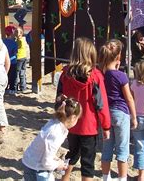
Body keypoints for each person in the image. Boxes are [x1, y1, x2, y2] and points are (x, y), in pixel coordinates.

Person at [56, 37, 111, 181]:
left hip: (70, 124)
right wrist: (106, 126)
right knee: (88, 162)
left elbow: (58, 99)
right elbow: (101, 104)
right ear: (91, 54)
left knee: (72, 154)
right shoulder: (95, 77)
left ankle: (64, 178)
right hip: (89, 126)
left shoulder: (65, 74)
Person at [100, 39, 137, 181]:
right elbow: (129, 98)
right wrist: (134, 116)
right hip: (120, 112)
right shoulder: (121, 76)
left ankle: (105, 177)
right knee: (122, 148)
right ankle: (122, 178)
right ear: (118, 57)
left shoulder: (101, 74)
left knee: (107, 147)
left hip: (106, 113)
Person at [22, 95, 82, 180]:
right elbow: (46, 162)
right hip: (36, 168)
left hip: (31, 160)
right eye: (77, 119)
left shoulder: (55, 122)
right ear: (73, 118)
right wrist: (58, 165)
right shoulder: (56, 133)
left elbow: (45, 149)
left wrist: (56, 159)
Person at [3, 25, 18, 95]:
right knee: (13, 76)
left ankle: (5, 88)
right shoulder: (14, 43)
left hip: (4, 61)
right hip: (12, 61)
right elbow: (15, 53)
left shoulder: (3, 41)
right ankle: (12, 88)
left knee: (6, 75)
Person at [15, 26, 28, 92]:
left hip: (19, 58)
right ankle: (23, 87)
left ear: (21, 33)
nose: (15, 32)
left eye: (17, 32)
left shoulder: (19, 40)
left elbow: (17, 47)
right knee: (22, 73)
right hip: (24, 57)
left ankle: (16, 87)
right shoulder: (23, 39)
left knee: (17, 73)